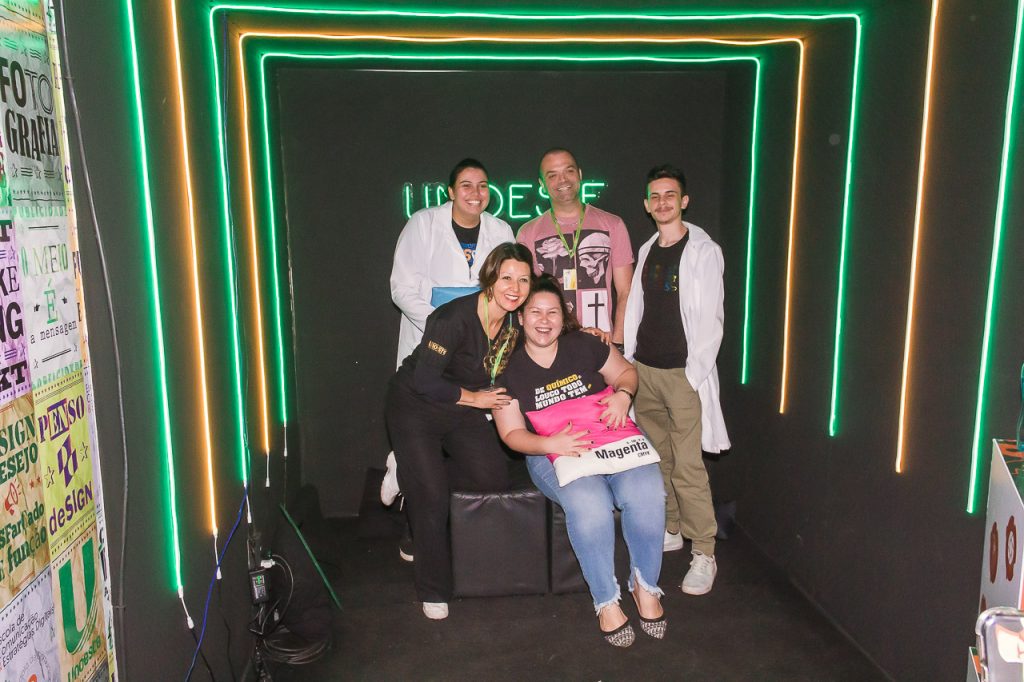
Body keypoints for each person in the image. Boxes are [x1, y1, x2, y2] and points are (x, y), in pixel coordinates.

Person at [493, 275, 666, 647]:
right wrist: (550, 442)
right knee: (590, 504)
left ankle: (645, 585)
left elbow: (626, 373)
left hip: (611, 438)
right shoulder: (508, 369)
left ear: (563, 316)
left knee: (648, 491)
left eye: (552, 312)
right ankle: (606, 600)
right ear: (520, 317)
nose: (544, 320)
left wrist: (623, 395)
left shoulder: (586, 344)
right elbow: (510, 433)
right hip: (550, 451)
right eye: (535, 312)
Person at [385, 243, 533, 620]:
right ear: (490, 278)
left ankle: (409, 477)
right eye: (507, 277)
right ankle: (433, 589)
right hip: (416, 406)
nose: (515, 287)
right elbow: (425, 380)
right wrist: (476, 399)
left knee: (491, 477)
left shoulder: (513, 325)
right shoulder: (453, 318)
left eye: (523, 280)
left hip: (463, 407)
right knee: (431, 498)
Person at [383, 159, 515, 526]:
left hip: (476, 358)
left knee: (476, 459)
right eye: (467, 185)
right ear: (451, 191)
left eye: (483, 185)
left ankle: (415, 479)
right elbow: (402, 289)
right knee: (425, 432)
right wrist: (449, 330)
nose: (476, 193)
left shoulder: (501, 230)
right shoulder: (423, 224)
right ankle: (411, 480)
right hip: (430, 346)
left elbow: (510, 287)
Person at [623, 164, 731, 596]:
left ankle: (704, 551)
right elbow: (637, 310)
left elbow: (712, 320)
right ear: (647, 205)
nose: (663, 202)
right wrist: (630, 364)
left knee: (688, 466)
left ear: (683, 201)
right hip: (645, 372)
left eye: (670, 195)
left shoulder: (704, 251)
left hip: (683, 375)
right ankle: (671, 527)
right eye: (655, 196)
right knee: (657, 460)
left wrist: (693, 374)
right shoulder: (648, 248)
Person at [517, 148, 634, 345]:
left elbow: (625, 291)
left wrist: (618, 342)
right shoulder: (528, 233)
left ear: (579, 174)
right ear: (542, 184)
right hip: (551, 345)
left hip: (602, 343)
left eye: (568, 171)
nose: (562, 180)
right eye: (552, 175)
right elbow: (526, 295)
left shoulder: (613, 225)